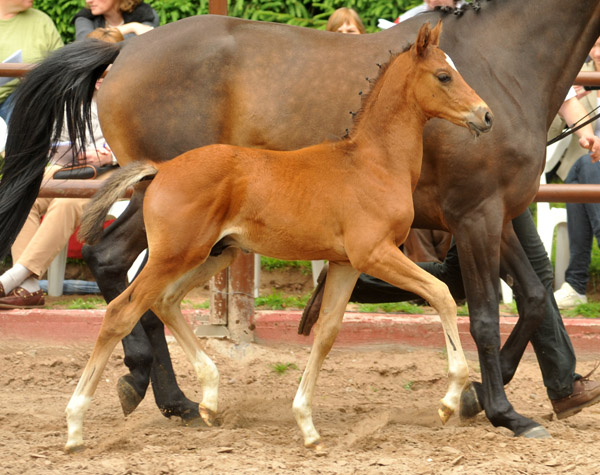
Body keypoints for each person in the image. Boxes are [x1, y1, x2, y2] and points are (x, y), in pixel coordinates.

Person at [0, 29, 122, 308]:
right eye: (96, 70)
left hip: (116, 169)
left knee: (67, 201)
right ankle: (29, 285)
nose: (99, 77)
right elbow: (57, 141)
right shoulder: (72, 94)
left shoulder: (132, 92)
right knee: (25, 191)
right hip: (71, 165)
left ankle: (13, 278)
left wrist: (107, 156)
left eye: (105, 70)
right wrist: (76, 154)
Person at [552, 37, 600, 309]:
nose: (596, 52)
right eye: (593, 45)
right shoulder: (582, 82)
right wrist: (577, 103)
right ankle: (576, 284)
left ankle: (576, 283)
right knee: (580, 169)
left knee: (583, 168)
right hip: (591, 166)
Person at [0, 0, 63, 123]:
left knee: (27, 99)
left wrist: (37, 79)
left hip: (24, 97)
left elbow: (61, 67)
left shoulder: (41, 20)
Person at [73, 0, 159, 41]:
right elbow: (87, 44)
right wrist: (131, 27)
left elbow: (136, 45)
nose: (88, 1)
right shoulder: (85, 17)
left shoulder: (145, 14)